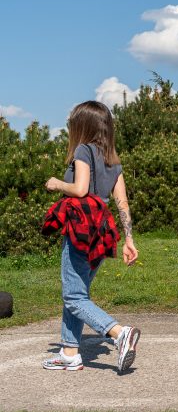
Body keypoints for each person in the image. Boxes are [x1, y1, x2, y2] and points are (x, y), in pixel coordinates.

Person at [41, 101, 140, 372]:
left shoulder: (83, 150)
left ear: (81, 125)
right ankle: (69, 352)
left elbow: (81, 189)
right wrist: (129, 240)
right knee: (78, 293)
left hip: (82, 228)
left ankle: (120, 334)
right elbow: (122, 204)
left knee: (73, 297)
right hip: (103, 230)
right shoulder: (113, 159)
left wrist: (57, 184)